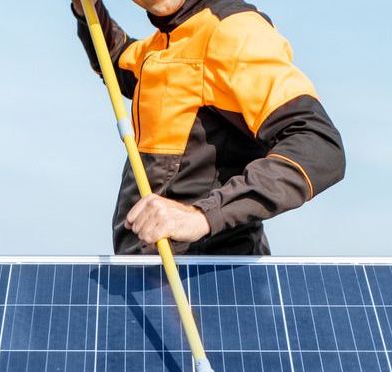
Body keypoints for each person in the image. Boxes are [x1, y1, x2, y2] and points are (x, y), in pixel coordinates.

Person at [72, 0, 345, 255]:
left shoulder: (234, 30)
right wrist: (87, 10)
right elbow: (117, 60)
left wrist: (203, 215)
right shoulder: (163, 45)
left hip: (216, 282)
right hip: (148, 279)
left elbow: (318, 145)